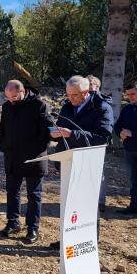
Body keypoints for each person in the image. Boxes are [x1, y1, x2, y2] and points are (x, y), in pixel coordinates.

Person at [49, 75, 113, 248]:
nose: (70, 99)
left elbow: (102, 138)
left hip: (88, 163)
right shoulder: (68, 107)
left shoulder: (102, 108)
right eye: (68, 95)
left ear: (86, 92)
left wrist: (72, 134)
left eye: (74, 95)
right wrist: (54, 133)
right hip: (68, 162)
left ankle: (89, 241)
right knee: (69, 204)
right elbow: (62, 129)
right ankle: (68, 239)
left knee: (87, 205)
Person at [0, 80, 53, 243]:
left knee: (33, 194)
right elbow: (2, 129)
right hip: (12, 157)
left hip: (33, 158)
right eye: (8, 98)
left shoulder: (39, 105)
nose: (11, 100)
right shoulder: (7, 106)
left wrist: (34, 149)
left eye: (14, 96)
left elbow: (47, 132)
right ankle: (13, 222)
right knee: (12, 191)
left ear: (22, 91)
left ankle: (32, 228)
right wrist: (5, 147)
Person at [113, 81, 137, 215]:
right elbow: (117, 125)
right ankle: (134, 206)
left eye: (133, 94)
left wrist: (133, 134)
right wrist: (120, 132)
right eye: (128, 95)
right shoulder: (127, 109)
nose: (130, 97)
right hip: (130, 150)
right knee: (133, 180)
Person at [87, 74, 113, 212]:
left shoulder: (103, 104)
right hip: (83, 143)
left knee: (99, 174)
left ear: (97, 86)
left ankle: (100, 201)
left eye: (90, 85)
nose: (88, 87)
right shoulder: (81, 101)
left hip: (97, 143)